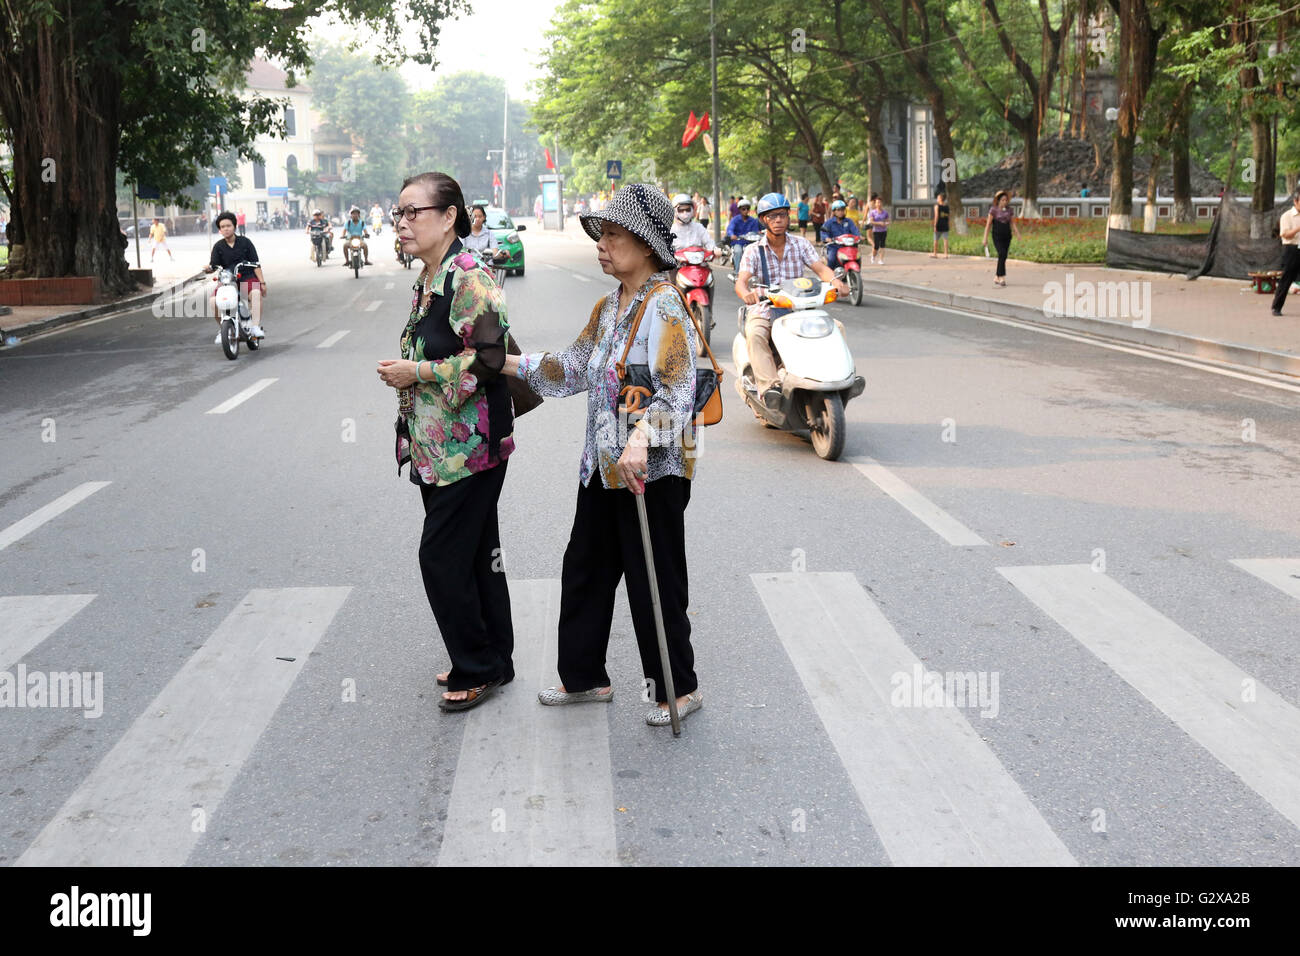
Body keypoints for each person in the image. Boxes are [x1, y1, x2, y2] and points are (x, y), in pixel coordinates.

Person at [504, 183, 703, 727]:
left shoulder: (666, 307)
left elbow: (680, 388)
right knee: (586, 569)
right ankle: (585, 676)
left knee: (654, 579)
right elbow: (573, 367)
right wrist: (506, 365)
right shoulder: (609, 306)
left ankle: (677, 689)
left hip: (650, 472)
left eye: (614, 234)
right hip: (603, 465)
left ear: (645, 244)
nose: (603, 244)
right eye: (602, 235)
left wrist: (643, 438)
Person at [377, 171, 518, 712]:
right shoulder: (430, 276)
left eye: (414, 212)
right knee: (481, 554)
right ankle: (494, 660)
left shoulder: (468, 276)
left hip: (470, 449)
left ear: (449, 216)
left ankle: (475, 666)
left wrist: (418, 372)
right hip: (439, 447)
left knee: (440, 557)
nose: (403, 222)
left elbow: (488, 358)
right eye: (399, 213)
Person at [734, 193, 848, 408]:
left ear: (789, 218)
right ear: (763, 220)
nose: (778, 220)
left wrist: (836, 282)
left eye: (782, 215)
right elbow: (741, 281)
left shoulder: (801, 244)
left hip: (800, 309)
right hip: (767, 308)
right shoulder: (753, 250)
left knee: (836, 328)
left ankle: (833, 378)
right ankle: (770, 389)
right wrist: (746, 293)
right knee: (756, 334)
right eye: (772, 216)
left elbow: (820, 268)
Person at [205, 211, 266, 341]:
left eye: (228, 225)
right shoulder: (218, 246)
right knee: (213, 301)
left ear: (234, 226)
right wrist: (209, 269)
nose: (226, 229)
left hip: (246, 277)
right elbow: (213, 265)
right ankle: (223, 329)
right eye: (222, 227)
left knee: (255, 293)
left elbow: (256, 264)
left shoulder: (245, 242)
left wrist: (262, 283)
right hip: (227, 280)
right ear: (220, 230)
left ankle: (255, 327)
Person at [982, 190, 1022, 287]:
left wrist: (1017, 233)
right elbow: (988, 225)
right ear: (998, 201)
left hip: (1007, 236)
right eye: (1003, 200)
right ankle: (1002, 277)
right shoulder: (993, 210)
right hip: (997, 235)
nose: (1004, 202)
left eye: (1006, 200)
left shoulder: (1009, 210)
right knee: (1001, 253)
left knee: (1003, 256)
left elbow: (1012, 223)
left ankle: (997, 276)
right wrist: (985, 238)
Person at [1271, 191, 1300, 315]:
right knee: (1286, 279)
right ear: (1295, 201)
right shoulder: (1287, 216)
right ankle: (1276, 307)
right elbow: (1285, 234)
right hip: (1292, 249)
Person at [820, 199, 860, 268]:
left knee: (857, 257)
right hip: (834, 247)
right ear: (834, 212)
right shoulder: (829, 222)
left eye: (842, 210)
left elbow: (855, 230)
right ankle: (829, 276)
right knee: (831, 259)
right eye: (838, 210)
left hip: (848, 246)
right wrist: (827, 238)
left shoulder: (849, 221)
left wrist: (859, 236)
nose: (841, 212)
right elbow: (823, 232)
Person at [866, 195, 891, 264]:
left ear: (882, 203)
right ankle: (873, 256)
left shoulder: (885, 213)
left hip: (884, 231)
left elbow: (888, 221)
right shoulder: (873, 212)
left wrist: (885, 223)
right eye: (877, 203)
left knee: (882, 245)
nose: (879, 204)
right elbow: (871, 221)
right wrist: (879, 223)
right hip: (876, 231)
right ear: (875, 204)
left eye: (880, 202)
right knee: (876, 246)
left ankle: (881, 260)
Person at [931, 191, 950, 258]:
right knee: (945, 240)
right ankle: (946, 254)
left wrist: (935, 225)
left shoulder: (937, 206)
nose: (937, 199)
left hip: (939, 224)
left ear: (941, 198)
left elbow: (936, 216)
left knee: (936, 240)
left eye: (938, 198)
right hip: (945, 225)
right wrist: (948, 224)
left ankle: (935, 254)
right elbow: (948, 216)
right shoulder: (947, 207)